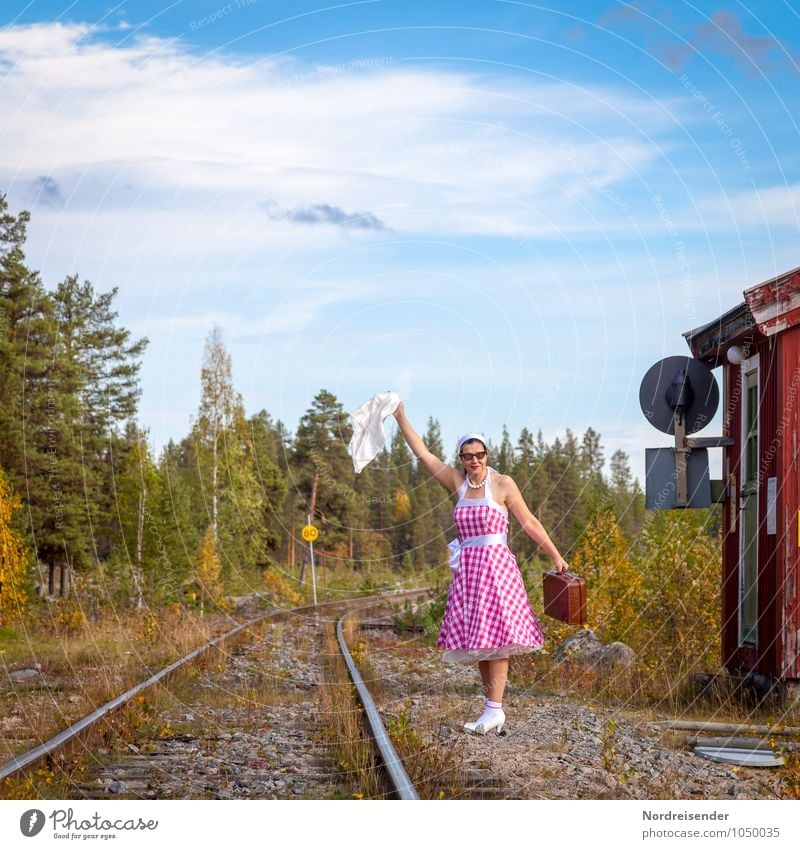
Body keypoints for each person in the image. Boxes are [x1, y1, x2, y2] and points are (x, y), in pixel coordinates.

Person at [393, 401, 569, 736]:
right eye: (467, 456)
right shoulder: (457, 483)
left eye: (479, 455)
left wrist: (555, 555)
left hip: (497, 569)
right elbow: (423, 453)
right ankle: (492, 711)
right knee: (481, 640)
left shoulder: (503, 484)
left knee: (498, 639)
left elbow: (529, 521)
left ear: (487, 454)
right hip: (469, 572)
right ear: (460, 458)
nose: (473, 460)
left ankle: (495, 710)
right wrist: (401, 416)